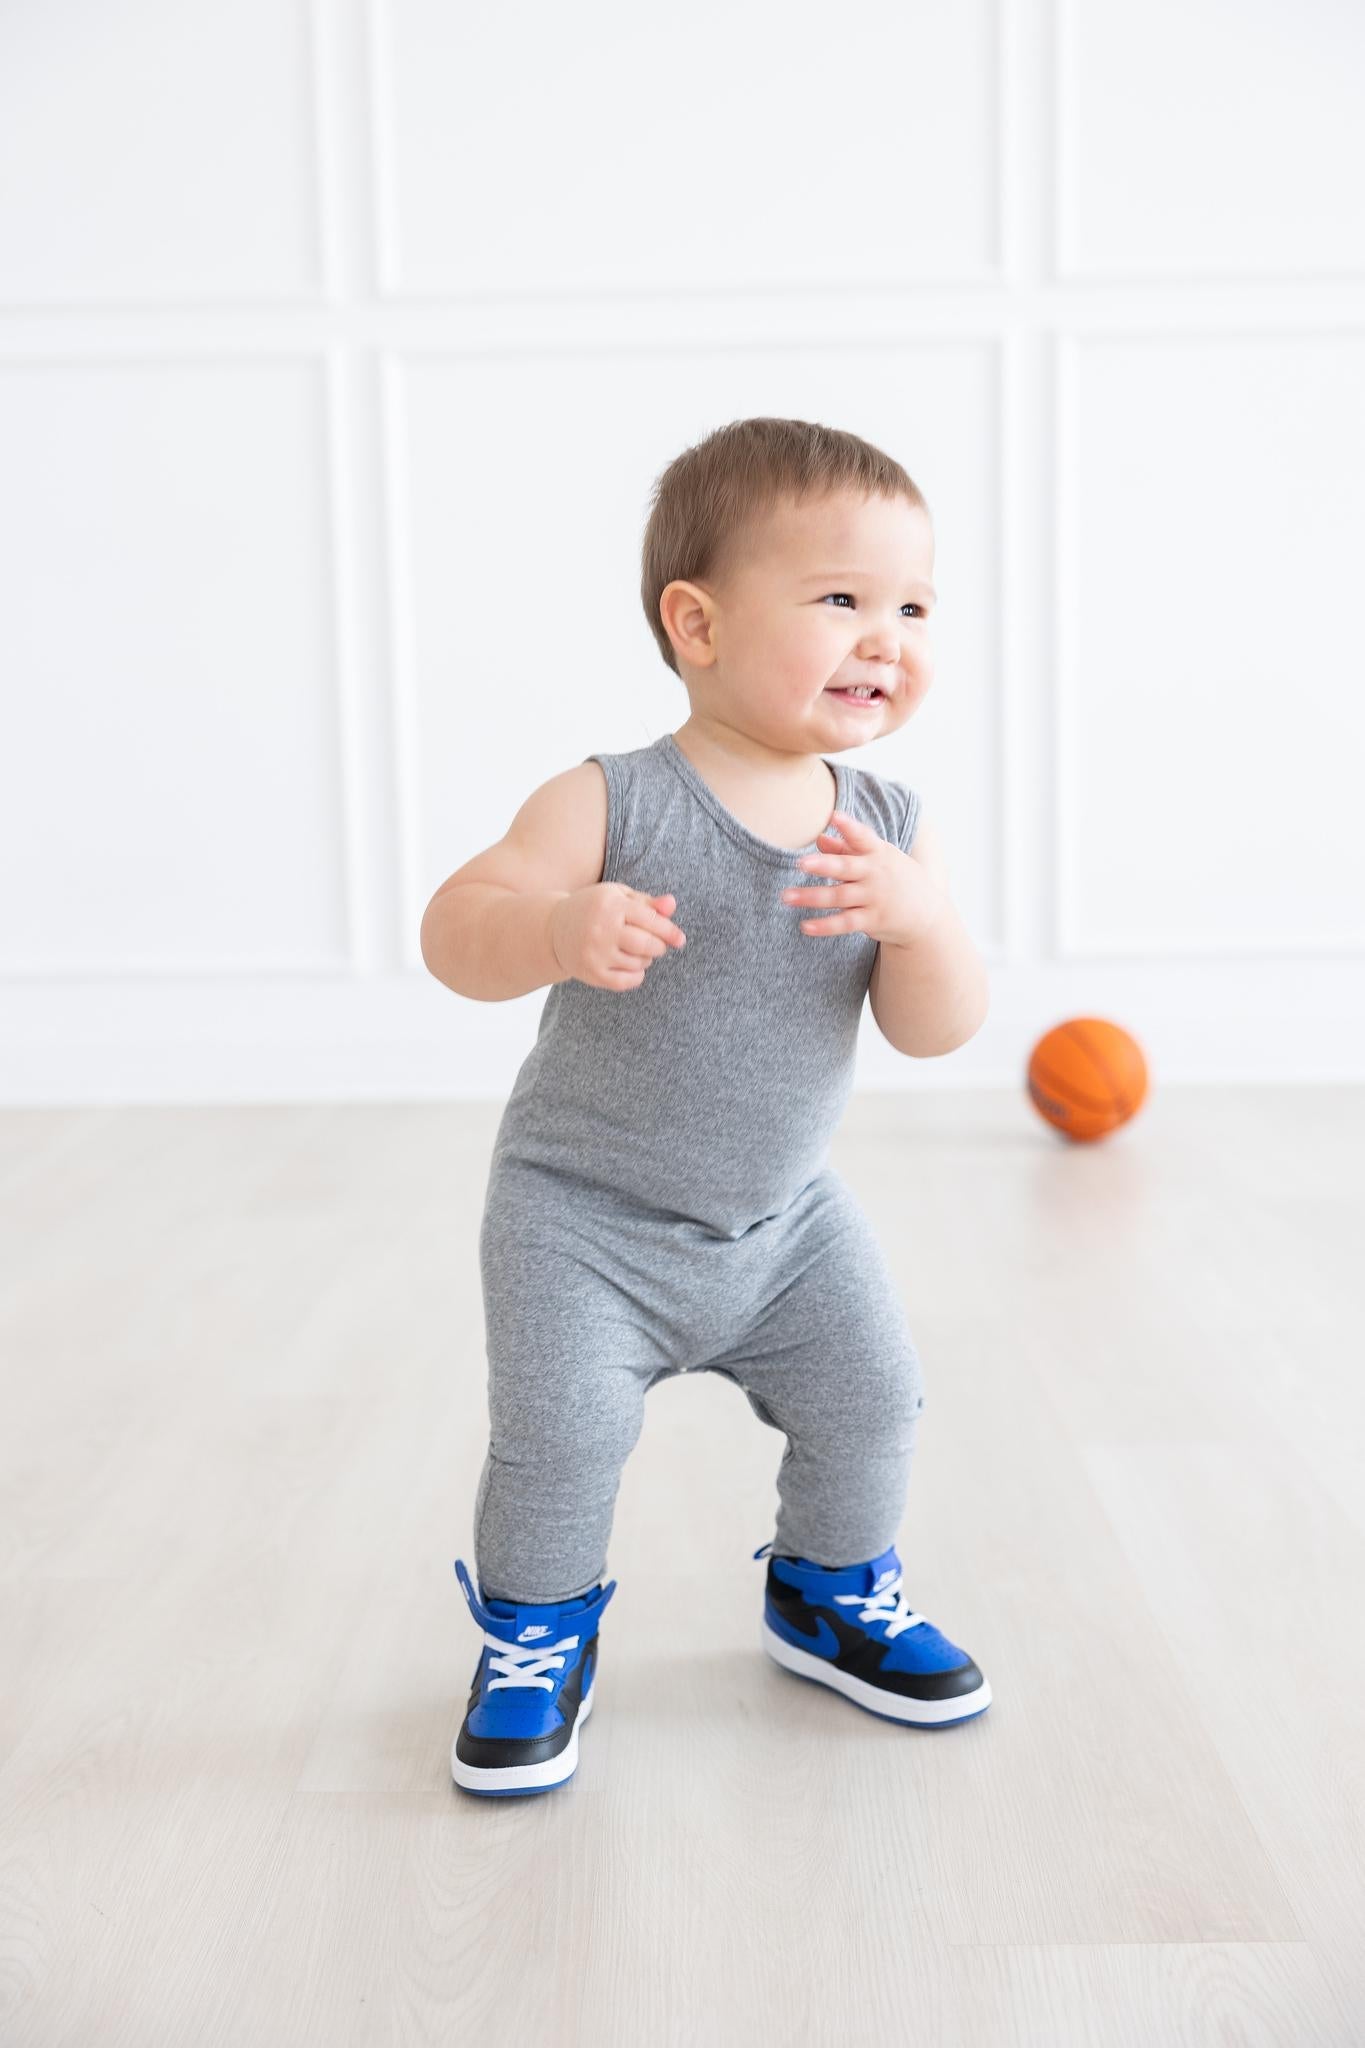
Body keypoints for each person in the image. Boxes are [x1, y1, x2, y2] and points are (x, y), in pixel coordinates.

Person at [420, 416, 993, 1799]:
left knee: (873, 1398)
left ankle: (828, 1588)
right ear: (697, 623)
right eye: (840, 598)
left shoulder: (885, 824)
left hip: (783, 1222)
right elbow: (455, 930)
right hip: (584, 1223)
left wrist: (923, 928)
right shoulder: (611, 802)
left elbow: (934, 1032)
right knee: (560, 1439)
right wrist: (556, 927)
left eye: (911, 605)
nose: (886, 637)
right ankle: (536, 1634)